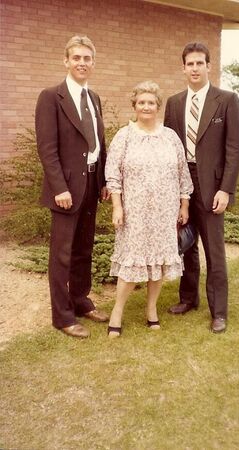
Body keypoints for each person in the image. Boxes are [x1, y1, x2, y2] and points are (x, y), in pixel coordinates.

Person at [164, 42, 239, 333]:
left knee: (214, 249)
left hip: (212, 186)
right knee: (186, 243)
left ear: (209, 66)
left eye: (200, 63)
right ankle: (188, 299)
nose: (195, 68)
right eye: (190, 64)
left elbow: (235, 149)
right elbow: (169, 148)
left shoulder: (226, 100)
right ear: (183, 67)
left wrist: (226, 189)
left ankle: (219, 311)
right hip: (182, 183)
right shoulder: (173, 103)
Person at [105, 81, 193, 338]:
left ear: (158, 106)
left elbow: (182, 174)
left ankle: (151, 309)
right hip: (135, 213)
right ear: (134, 105)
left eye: (151, 102)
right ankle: (117, 312)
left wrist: (184, 204)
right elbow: (113, 175)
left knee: (160, 262)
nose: (146, 106)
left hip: (165, 212)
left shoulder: (170, 137)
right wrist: (117, 207)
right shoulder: (125, 135)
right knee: (132, 263)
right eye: (141, 102)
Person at [35, 35, 109, 338]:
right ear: (66, 61)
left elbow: (98, 145)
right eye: (76, 58)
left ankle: (80, 301)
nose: (82, 63)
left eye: (87, 58)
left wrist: (103, 180)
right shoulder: (51, 97)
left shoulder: (94, 98)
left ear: (92, 63)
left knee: (83, 250)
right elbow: (47, 148)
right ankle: (63, 317)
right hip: (65, 189)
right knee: (62, 254)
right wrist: (59, 187)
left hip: (91, 184)